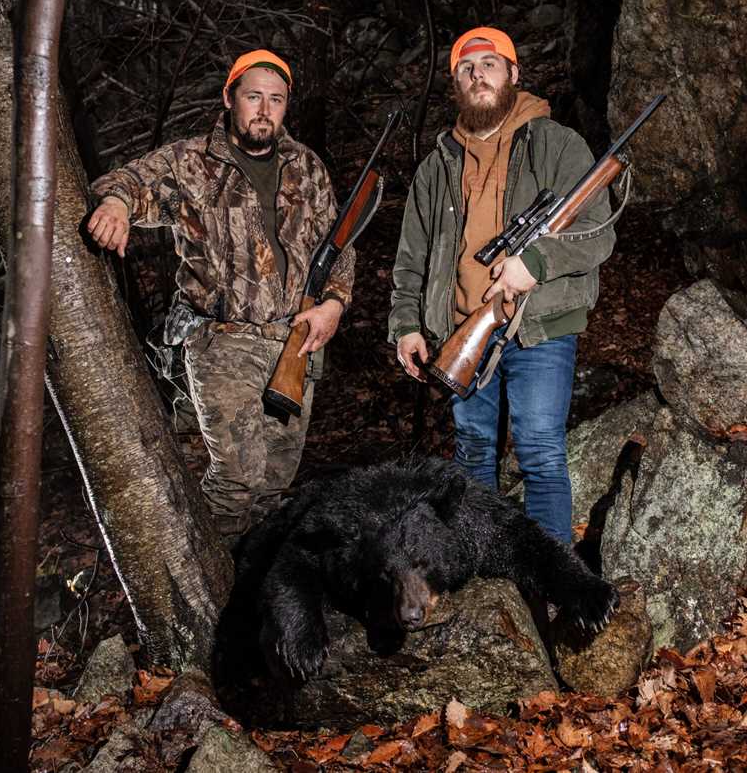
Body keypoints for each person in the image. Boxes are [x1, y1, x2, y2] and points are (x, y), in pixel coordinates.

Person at [86, 49, 353, 537]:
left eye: (276, 99)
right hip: (221, 339)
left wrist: (334, 303)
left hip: (296, 340)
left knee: (276, 483)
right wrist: (117, 206)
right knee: (237, 479)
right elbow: (129, 181)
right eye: (253, 96)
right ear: (229, 98)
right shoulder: (192, 162)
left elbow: (337, 245)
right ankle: (210, 589)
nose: (265, 110)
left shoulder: (307, 167)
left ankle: (262, 590)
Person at [388, 27, 617, 543]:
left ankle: (552, 583)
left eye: (490, 64)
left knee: (538, 450)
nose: (478, 75)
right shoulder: (436, 165)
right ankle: (485, 571)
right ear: (456, 85)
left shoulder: (558, 144)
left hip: (540, 327)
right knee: (472, 451)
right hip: (461, 331)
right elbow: (411, 258)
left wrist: (533, 261)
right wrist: (406, 325)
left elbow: (598, 232)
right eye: (467, 69)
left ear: (513, 74)